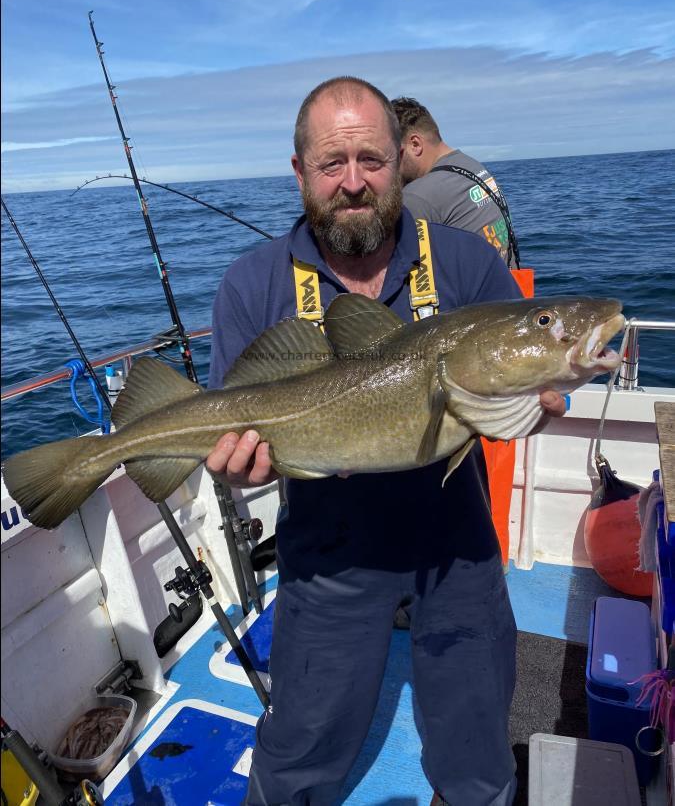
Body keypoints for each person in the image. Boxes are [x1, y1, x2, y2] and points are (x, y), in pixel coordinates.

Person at [206, 77, 565, 806]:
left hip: (455, 547)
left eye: (370, 160)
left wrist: (543, 392)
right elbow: (231, 438)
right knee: (299, 750)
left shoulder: (464, 264)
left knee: (475, 752)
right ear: (299, 171)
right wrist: (238, 470)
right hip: (328, 554)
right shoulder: (253, 284)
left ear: (401, 160)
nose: (352, 183)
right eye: (331, 164)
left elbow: (526, 365)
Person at [391, 96, 513, 264]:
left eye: (393, 154)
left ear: (415, 144)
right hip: (508, 284)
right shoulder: (473, 167)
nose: (389, 164)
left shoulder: (418, 196)